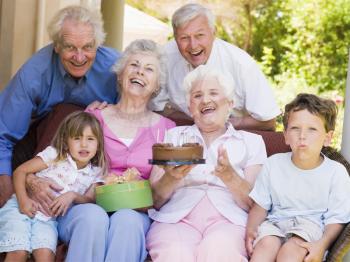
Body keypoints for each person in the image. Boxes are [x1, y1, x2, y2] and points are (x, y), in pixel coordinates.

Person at [28, 39, 175, 262]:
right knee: (93, 216)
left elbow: (160, 193)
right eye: (134, 65)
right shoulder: (94, 117)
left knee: (127, 220)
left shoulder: (166, 129)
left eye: (149, 69)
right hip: (82, 205)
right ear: (120, 74)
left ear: (157, 85)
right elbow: (53, 157)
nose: (140, 73)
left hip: (136, 211)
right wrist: (31, 179)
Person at [0, 5, 120, 208]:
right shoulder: (34, 73)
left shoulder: (117, 68)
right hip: (36, 147)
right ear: (56, 45)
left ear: (98, 44)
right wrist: (9, 189)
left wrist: (111, 112)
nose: (80, 57)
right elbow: (3, 135)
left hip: (91, 155)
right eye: (70, 47)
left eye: (88, 47)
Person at [146, 65, 266, 262]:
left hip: (229, 220)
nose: (206, 100)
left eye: (213, 93)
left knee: (219, 252)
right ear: (190, 107)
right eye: (197, 95)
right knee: (175, 254)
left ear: (230, 103)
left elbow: (255, 204)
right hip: (177, 218)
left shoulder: (252, 142)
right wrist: (171, 177)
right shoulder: (173, 137)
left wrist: (230, 177)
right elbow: (154, 200)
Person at [246, 93, 350, 262]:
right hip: (275, 223)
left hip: (311, 227)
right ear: (285, 135)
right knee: (265, 247)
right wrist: (251, 230)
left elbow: (337, 218)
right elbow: (260, 206)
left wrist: (322, 244)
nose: (302, 135)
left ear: (327, 138)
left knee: (290, 253)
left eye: (312, 129)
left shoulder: (336, 172)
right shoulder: (273, 164)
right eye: (295, 128)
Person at [149, 3, 280, 131]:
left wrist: (221, 123)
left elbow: (268, 121)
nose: (193, 45)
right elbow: (156, 108)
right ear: (175, 38)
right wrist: (196, 122)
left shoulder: (241, 64)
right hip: (187, 136)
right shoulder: (163, 58)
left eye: (200, 35)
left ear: (214, 32)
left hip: (234, 136)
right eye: (184, 38)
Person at [0, 111, 106, 262]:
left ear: (99, 143)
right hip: (20, 210)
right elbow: (21, 171)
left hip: (49, 220)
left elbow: (89, 200)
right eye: (77, 138)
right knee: (19, 252)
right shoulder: (55, 155)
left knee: (45, 255)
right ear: (65, 141)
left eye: (90, 139)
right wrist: (23, 201)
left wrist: (73, 195)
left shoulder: (96, 172)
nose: (84, 144)